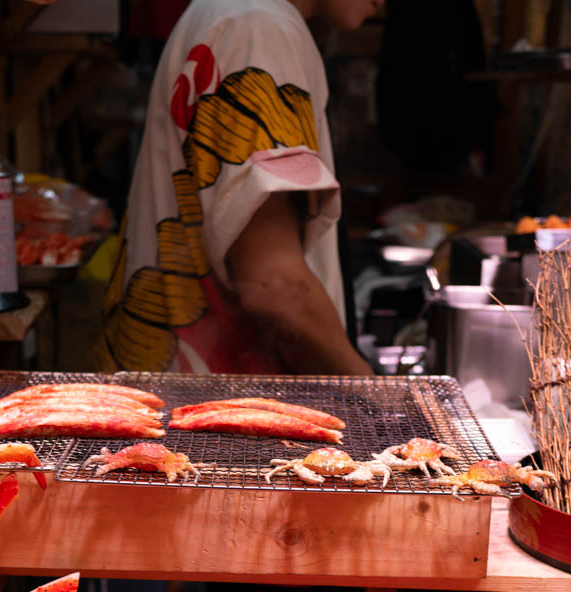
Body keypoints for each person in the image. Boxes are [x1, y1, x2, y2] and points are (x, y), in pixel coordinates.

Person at [97, 0, 380, 374]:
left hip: (180, 391)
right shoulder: (259, 30)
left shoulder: (231, 11)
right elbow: (275, 287)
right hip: (218, 401)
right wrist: (380, 398)